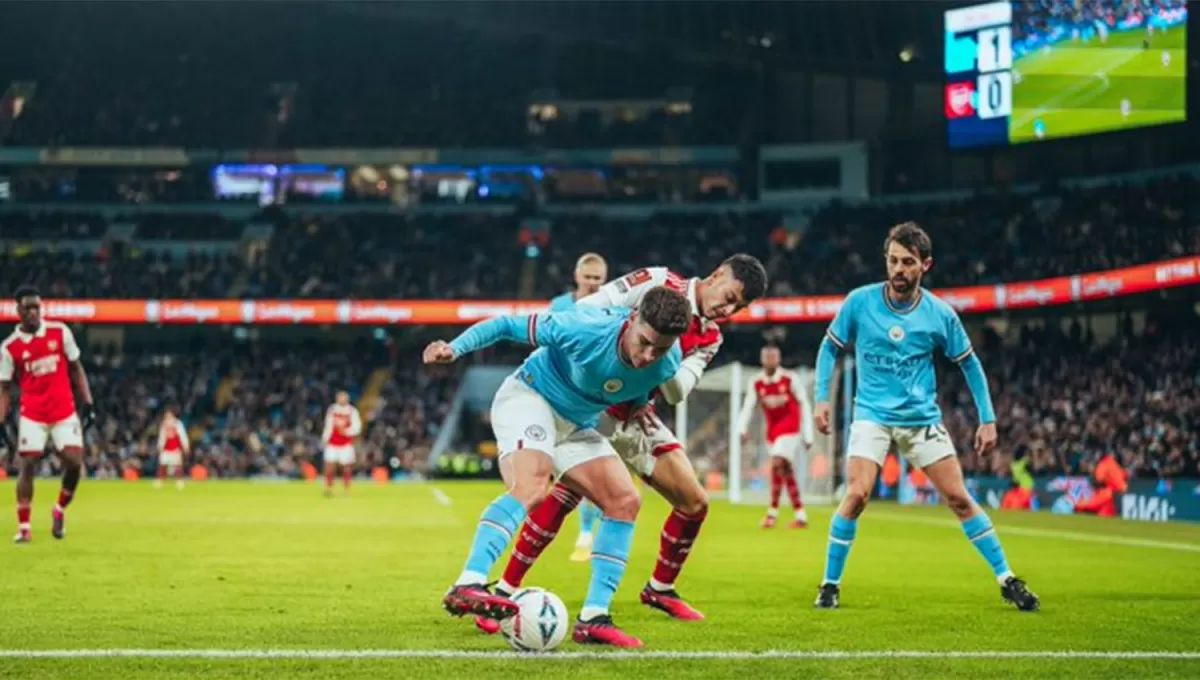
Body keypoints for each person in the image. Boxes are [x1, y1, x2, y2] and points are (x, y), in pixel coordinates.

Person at [478, 255, 768, 630]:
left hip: (637, 416)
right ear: (714, 276)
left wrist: (649, 384)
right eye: (729, 297)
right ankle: (504, 590)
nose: (728, 309)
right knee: (566, 495)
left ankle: (660, 588)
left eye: (739, 307)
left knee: (694, 502)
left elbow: (678, 389)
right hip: (594, 405)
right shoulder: (660, 282)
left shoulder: (711, 337)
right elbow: (591, 308)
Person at [427, 286, 691, 648]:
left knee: (624, 500)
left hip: (576, 423)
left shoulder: (669, 360)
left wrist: (640, 405)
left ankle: (593, 619)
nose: (648, 356)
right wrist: (453, 349)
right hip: (530, 397)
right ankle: (467, 583)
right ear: (633, 320)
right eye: (644, 342)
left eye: (659, 349)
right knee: (534, 487)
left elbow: (643, 382)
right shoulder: (585, 328)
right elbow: (506, 325)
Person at [812, 222, 1039, 612]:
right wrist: (821, 398)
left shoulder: (940, 315)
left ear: (925, 265)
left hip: (921, 419)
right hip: (872, 416)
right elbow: (828, 348)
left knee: (959, 498)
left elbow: (969, 364)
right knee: (857, 494)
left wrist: (987, 418)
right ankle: (829, 585)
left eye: (908, 262)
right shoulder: (859, 302)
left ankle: (1006, 578)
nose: (898, 269)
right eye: (893, 260)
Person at [0, 286, 96, 543]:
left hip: (64, 411)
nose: (33, 312)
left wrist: (88, 401)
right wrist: (1, 418)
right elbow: (4, 388)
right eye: (28, 307)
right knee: (27, 465)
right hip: (33, 414)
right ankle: (24, 528)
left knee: (75, 463)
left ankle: (59, 509)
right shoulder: (10, 348)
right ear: (18, 310)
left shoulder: (60, 331)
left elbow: (76, 367)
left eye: (36, 307)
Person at [549, 252, 608, 561]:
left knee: (590, 473)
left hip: (593, 402)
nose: (593, 284)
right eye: (589, 278)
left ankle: (586, 536)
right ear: (577, 276)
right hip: (556, 398)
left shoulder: (611, 307)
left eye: (599, 279)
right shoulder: (559, 307)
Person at [738, 345, 814, 529]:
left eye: (774, 357)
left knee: (777, 462)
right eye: (768, 357)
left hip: (790, 427)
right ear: (762, 360)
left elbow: (803, 403)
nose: (771, 360)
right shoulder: (756, 382)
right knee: (786, 470)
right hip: (772, 432)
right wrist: (742, 429)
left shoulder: (789, 379)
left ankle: (772, 513)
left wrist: (808, 433)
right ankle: (800, 514)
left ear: (778, 360)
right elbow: (748, 405)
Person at [321, 390, 362, 498]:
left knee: (346, 467)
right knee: (329, 466)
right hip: (333, 443)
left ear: (347, 399)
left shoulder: (352, 411)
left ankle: (346, 490)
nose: (341, 399)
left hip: (346, 444)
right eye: (339, 397)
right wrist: (325, 439)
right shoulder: (332, 410)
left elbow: (357, 428)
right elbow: (328, 426)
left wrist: (347, 431)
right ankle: (328, 489)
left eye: (343, 397)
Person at [156, 410, 190, 490]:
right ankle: (160, 480)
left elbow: (182, 435)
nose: (167, 418)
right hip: (166, 449)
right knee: (162, 464)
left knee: (178, 465)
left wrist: (185, 446)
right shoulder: (164, 424)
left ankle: (179, 481)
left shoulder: (178, 424)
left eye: (169, 416)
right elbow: (162, 437)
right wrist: (160, 446)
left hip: (176, 448)